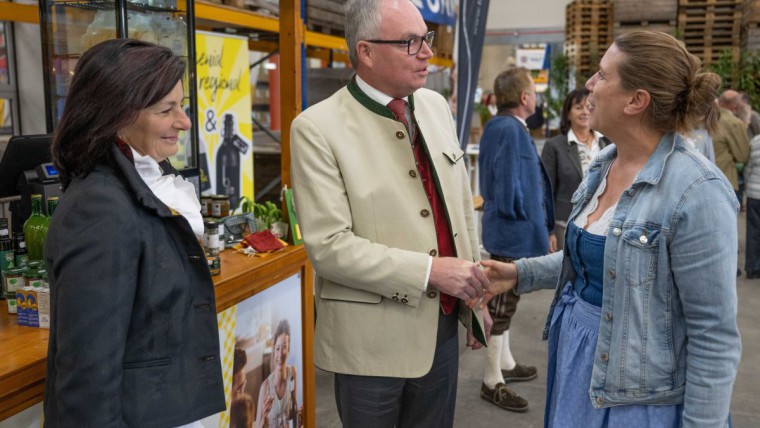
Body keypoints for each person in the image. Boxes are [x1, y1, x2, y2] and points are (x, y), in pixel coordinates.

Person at [477, 31, 741, 427]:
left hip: (638, 396)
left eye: (601, 75)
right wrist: (519, 273)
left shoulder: (697, 192)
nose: (588, 85)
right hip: (577, 365)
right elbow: (605, 257)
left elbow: (714, 336)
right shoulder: (605, 163)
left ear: (636, 101)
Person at [289, 0, 491, 425]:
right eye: (410, 42)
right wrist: (432, 272)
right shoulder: (317, 129)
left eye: (427, 39)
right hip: (370, 344)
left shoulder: (434, 106)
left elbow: (456, 207)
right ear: (366, 52)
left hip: (441, 328)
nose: (427, 53)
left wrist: (476, 293)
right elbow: (330, 248)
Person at [43, 39, 225, 427]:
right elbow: (88, 377)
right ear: (116, 115)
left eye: (182, 105)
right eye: (166, 109)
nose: (184, 121)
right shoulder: (100, 208)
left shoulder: (143, 181)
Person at [478, 67, 553, 413]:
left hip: (510, 228)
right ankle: (492, 379)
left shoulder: (499, 126)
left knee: (510, 300)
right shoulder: (512, 130)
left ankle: (505, 362)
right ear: (525, 98)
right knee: (502, 304)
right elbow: (509, 184)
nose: (536, 98)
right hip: (513, 232)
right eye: (534, 93)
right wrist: (521, 214)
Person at [541, 88, 611, 250]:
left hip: (602, 224)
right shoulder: (555, 146)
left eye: (589, 107)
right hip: (565, 223)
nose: (585, 112)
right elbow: (546, 191)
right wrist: (548, 230)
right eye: (578, 107)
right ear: (568, 114)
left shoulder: (607, 143)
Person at [255, 319, 301, 428]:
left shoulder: (293, 373)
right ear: (274, 350)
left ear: (288, 349)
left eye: (284, 347)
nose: (280, 355)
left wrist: (299, 417)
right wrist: (263, 419)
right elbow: (258, 426)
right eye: (277, 348)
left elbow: (294, 409)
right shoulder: (265, 387)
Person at [745, 133, 760, 279]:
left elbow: (748, 167)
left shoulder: (755, 141)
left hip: (754, 194)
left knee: (753, 231)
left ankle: (752, 268)